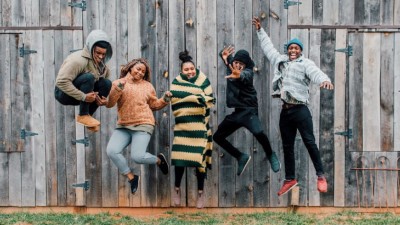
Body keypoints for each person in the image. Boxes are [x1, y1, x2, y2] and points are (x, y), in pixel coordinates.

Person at [252, 17, 334, 196]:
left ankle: (320, 176)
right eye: (291, 48)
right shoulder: (280, 61)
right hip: (286, 111)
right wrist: (260, 31)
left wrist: (324, 80)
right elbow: (268, 48)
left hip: (301, 110)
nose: (293, 50)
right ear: (287, 50)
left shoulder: (305, 64)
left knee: (309, 142)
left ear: (300, 51)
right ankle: (290, 178)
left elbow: (315, 73)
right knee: (287, 145)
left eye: (296, 48)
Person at [213, 46, 281, 177]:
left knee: (259, 132)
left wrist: (240, 74)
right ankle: (240, 157)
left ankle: (271, 154)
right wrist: (224, 55)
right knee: (217, 137)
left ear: (246, 66)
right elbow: (226, 57)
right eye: (236, 63)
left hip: (249, 112)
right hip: (237, 113)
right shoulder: (232, 65)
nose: (237, 66)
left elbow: (245, 75)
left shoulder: (247, 73)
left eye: (241, 64)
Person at [105, 58, 170, 194]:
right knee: (112, 150)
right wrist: (118, 88)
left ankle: (159, 161)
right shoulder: (118, 83)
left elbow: (154, 105)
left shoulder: (147, 86)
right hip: (124, 125)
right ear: (130, 68)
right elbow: (110, 103)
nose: (140, 73)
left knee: (137, 157)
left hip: (143, 123)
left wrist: (165, 99)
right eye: (138, 69)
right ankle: (131, 177)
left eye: (143, 71)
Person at [170, 50, 215, 209]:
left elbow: (209, 99)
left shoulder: (203, 80)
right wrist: (193, 99)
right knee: (180, 159)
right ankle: (176, 189)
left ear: (195, 69)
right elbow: (175, 101)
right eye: (186, 70)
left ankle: (201, 193)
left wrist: (197, 99)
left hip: (200, 127)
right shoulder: (176, 82)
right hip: (183, 126)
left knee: (199, 161)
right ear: (181, 71)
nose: (190, 72)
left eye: (192, 69)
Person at [55, 29, 113, 132]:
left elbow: (104, 84)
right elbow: (61, 82)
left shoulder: (102, 65)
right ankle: (83, 115)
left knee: (107, 83)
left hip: (82, 94)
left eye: (103, 54)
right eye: (98, 53)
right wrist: (84, 97)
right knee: (89, 77)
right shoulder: (78, 60)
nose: (101, 57)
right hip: (62, 93)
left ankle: (88, 116)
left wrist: (105, 100)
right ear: (91, 49)